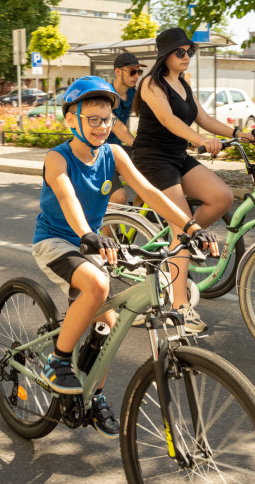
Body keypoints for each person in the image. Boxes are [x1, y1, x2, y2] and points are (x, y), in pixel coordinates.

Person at [32, 76, 217, 438]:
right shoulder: (58, 157)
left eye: (108, 119)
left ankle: (91, 395)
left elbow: (149, 191)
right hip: (58, 241)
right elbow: (67, 197)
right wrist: (87, 233)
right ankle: (57, 359)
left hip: (93, 243)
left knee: (109, 325)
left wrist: (191, 227)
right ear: (72, 121)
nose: (103, 127)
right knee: (98, 286)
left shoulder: (115, 154)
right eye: (93, 119)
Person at [130, 27, 255, 333]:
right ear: (165, 55)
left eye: (190, 52)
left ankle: (180, 243)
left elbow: (203, 117)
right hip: (152, 158)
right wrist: (200, 141)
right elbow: (167, 119)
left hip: (178, 156)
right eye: (180, 52)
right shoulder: (150, 83)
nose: (187, 57)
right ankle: (179, 308)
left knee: (221, 197)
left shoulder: (184, 82)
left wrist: (239, 134)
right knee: (183, 226)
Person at [106, 52, 145, 206]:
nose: (136, 76)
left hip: (119, 151)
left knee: (153, 167)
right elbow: (118, 128)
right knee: (119, 198)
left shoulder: (132, 93)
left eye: (139, 72)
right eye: (132, 72)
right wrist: (138, 144)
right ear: (118, 72)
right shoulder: (106, 94)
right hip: (99, 155)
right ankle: (108, 230)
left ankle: (137, 212)